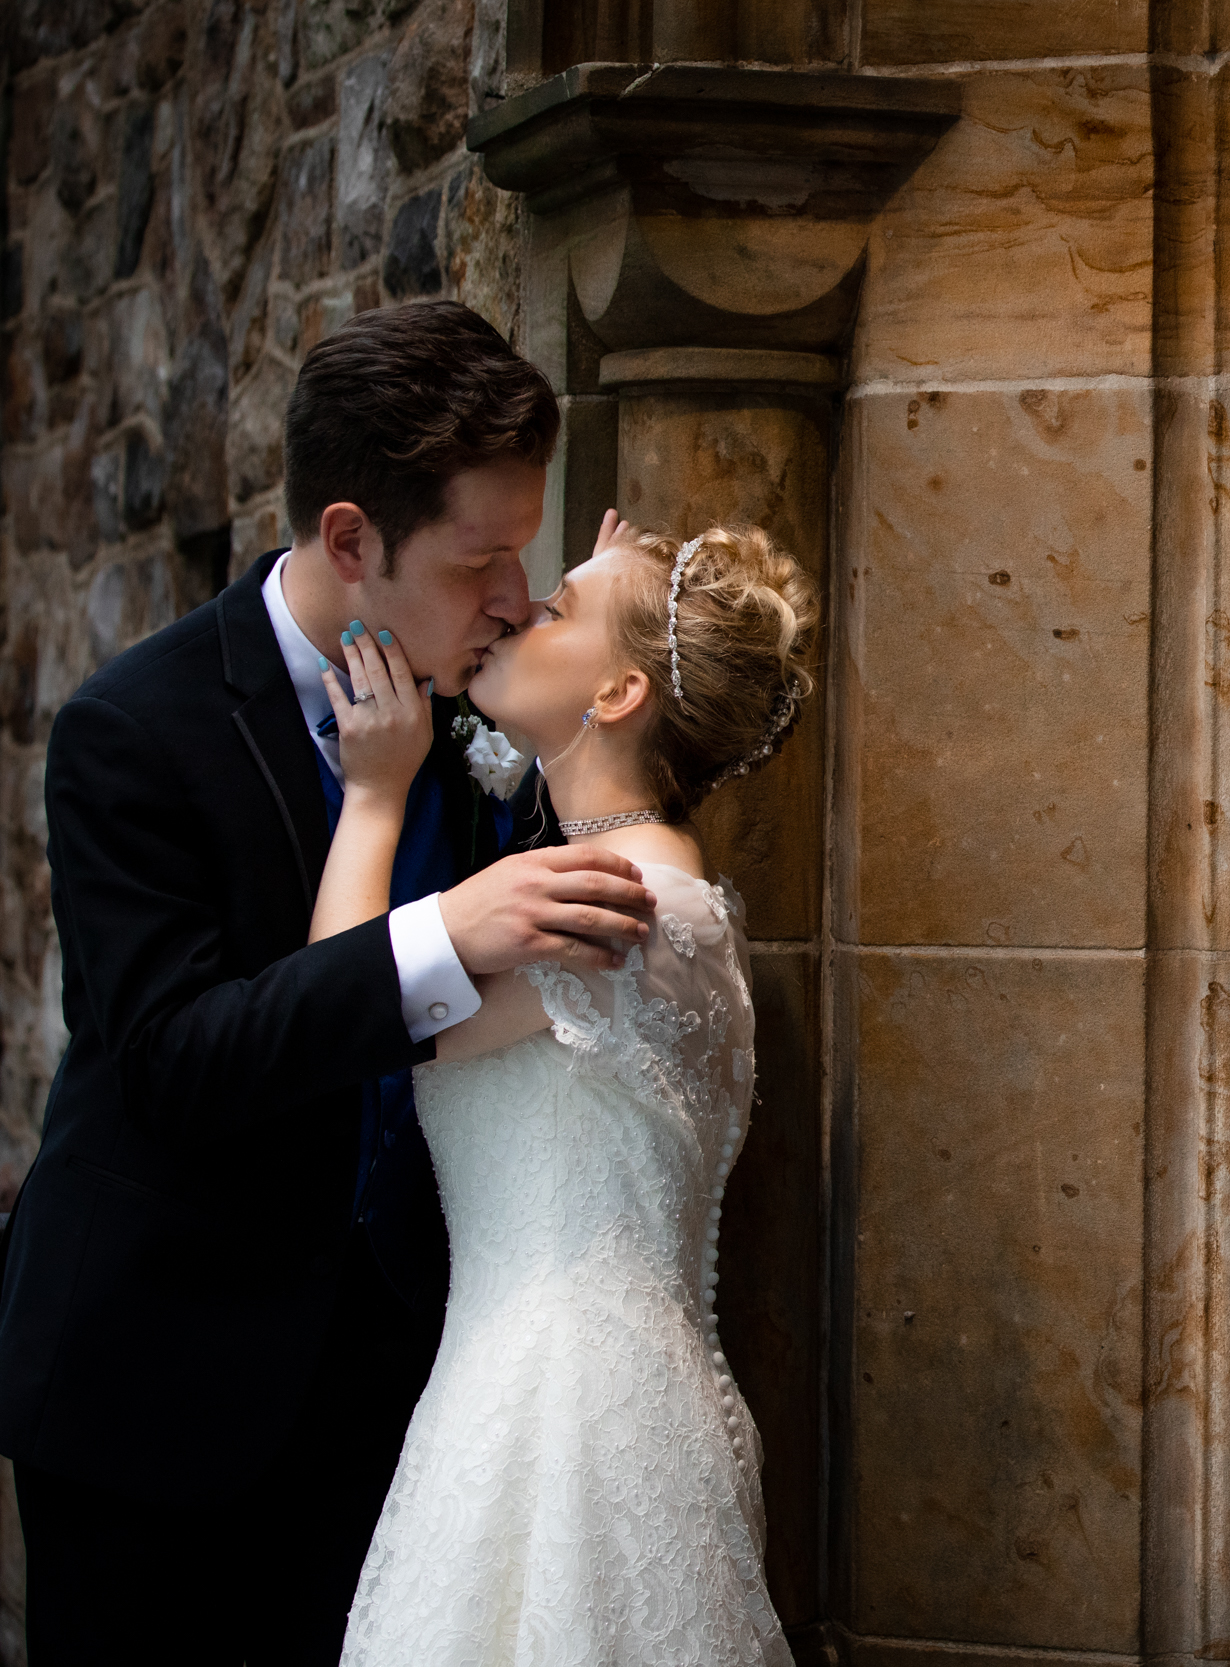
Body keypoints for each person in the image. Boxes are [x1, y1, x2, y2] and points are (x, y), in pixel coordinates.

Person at [0, 301, 661, 1663]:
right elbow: (175, 1063)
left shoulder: (491, 689)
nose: (511, 595)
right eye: (479, 557)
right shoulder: (134, 730)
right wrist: (444, 934)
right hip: (155, 1387)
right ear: (353, 540)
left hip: (402, 1393)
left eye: (524, 553)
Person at [325, 512, 814, 1664]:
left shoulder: (619, 906)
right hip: (558, 1397)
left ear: (616, 694)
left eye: (553, 607)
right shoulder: (641, 882)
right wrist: (608, 597)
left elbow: (336, 1011)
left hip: (560, 1426)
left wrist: (374, 795)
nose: (515, 607)